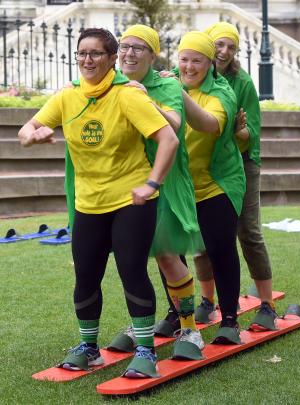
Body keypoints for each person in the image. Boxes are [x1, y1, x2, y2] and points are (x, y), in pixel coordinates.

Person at [18, 28, 179, 378]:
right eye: (82, 54)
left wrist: (153, 182)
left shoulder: (127, 95)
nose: (87, 60)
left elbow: (168, 138)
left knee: (131, 272)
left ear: (110, 59)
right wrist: (35, 136)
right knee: (86, 276)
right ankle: (89, 348)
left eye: (95, 54)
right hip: (89, 202)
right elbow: (25, 131)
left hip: (131, 200)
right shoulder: (67, 96)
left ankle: (146, 352)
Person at [103, 24, 205, 360]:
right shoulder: (112, 84)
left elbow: (174, 123)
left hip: (164, 182)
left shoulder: (165, 84)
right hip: (125, 182)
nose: (129, 53)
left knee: (166, 256)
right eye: (124, 46)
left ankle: (189, 327)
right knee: (131, 262)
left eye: (138, 48)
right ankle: (141, 326)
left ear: (152, 55)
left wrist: (144, 98)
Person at [193, 22, 277, 331]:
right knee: (203, 235)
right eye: (219, 44)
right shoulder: (197, 74)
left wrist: (239, 131)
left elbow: (251, 132)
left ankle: (267, 304)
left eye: (231, 46)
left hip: (241, 163)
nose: (224, 51)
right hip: (205, 164)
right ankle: (207, 300)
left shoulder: (242, 83)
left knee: (247, 232)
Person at [173, 31, 246, 343]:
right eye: (184, 59)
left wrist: (176, 91)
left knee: (219, 249)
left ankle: (229, 317)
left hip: (218, 183)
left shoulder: (222, 92)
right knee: (171, 253)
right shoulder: (168, 82)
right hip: (180, 184)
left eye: (197, 60)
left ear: (209, 64)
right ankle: (178, 313)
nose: (189, 66)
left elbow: (210, 125)